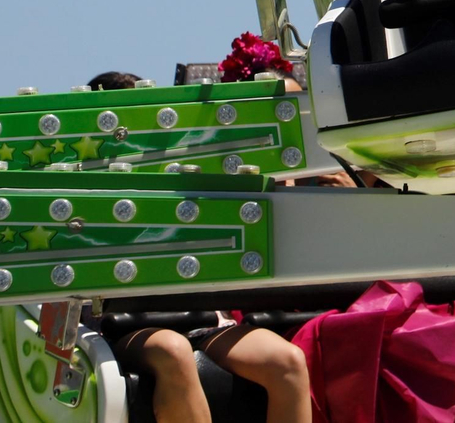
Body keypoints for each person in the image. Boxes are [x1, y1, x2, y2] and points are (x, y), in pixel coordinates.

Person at [89, 71, 312, 423]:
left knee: (287, 362)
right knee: (173, 351)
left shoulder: (184, 173)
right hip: (127, 326)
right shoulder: (84, 192)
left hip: (203, 320)